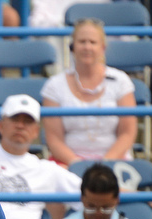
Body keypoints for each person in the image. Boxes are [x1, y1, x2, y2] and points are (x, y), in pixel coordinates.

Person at [40, 18, 137, 165]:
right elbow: (54, 139)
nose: (87, 47)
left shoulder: (121, 81)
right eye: (82, 42)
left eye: (92, 42)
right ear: (72, 47)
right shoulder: (54, 85)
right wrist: (78, 165)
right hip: (68, 164)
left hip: (114, 162)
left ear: (102, 48)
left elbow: (128, 133)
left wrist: (105, 164)